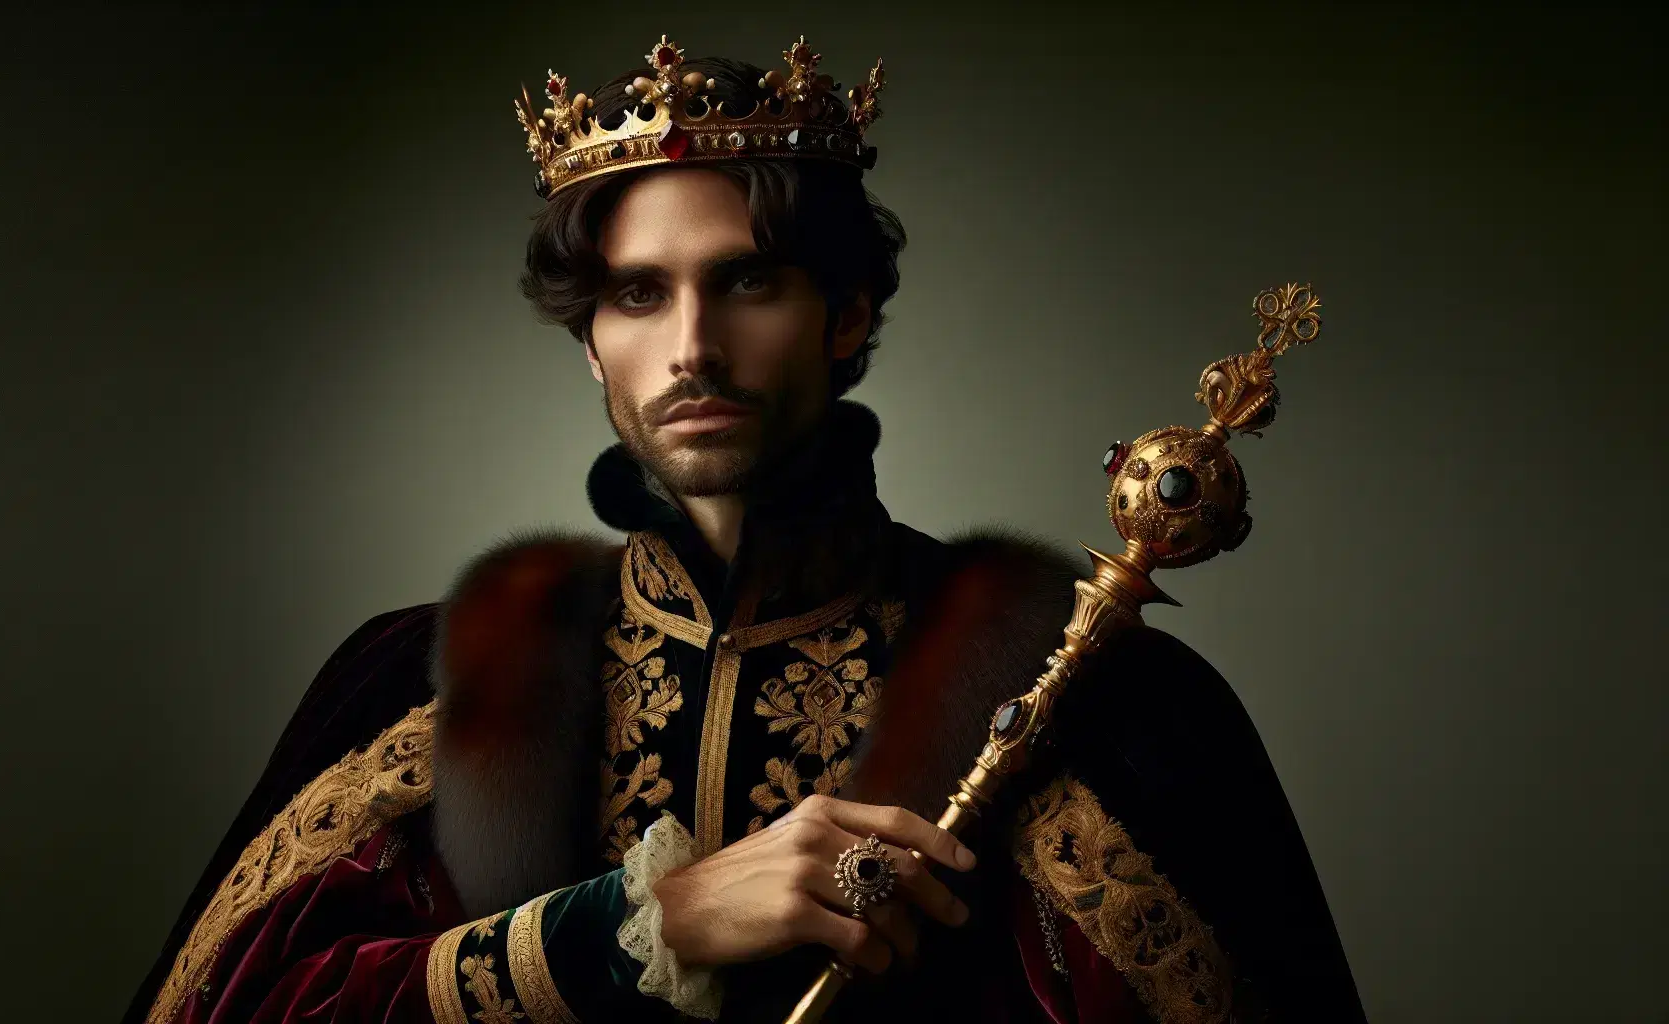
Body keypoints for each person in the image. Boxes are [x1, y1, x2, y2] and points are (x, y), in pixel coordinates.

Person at [126, 34, 1364, 1024]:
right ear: (589, 347)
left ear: (843, 315)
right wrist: (639, 928)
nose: (692, 348)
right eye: (636, 294)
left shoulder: (1095, 696)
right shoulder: (416, 680)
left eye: (748, 280)